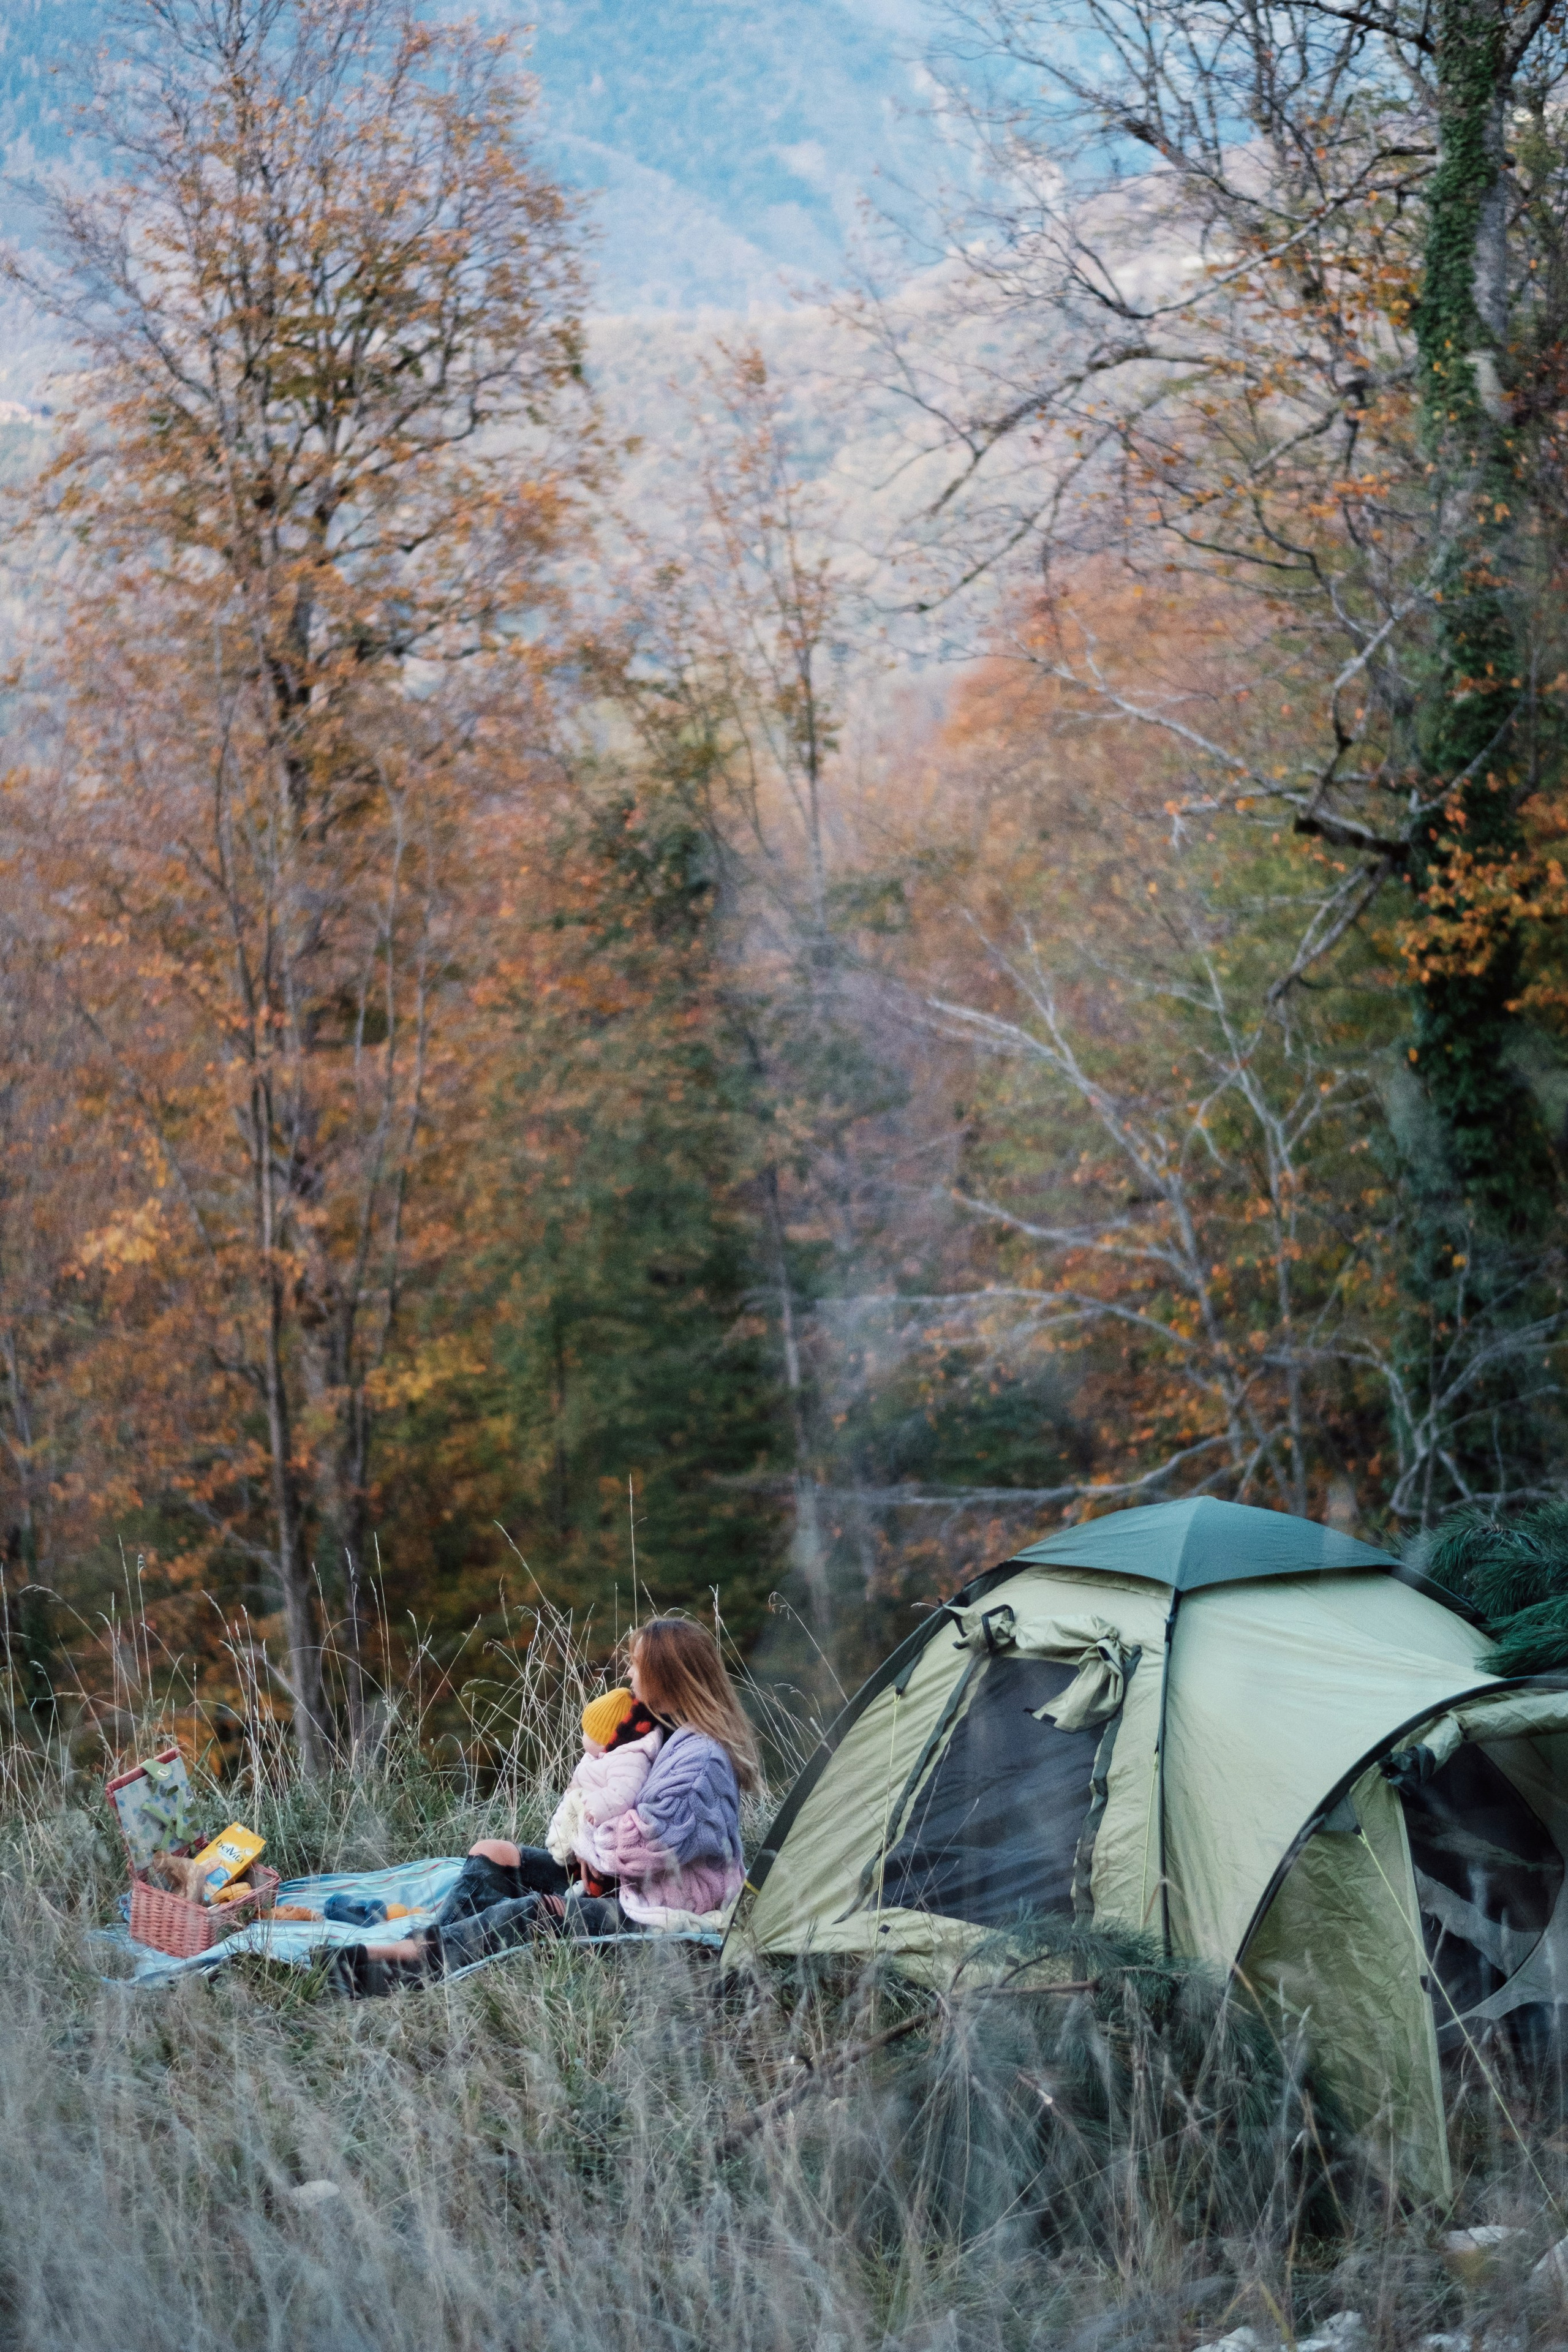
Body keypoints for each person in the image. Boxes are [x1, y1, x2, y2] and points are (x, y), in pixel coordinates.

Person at [331, 1617, 758, 1996]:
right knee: (492, 1854)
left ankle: (404, 1963)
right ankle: (434, 1943)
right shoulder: (663, 1731)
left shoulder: (700, 1762)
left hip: (660, 1916)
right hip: (622, 1887)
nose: (628, 1674)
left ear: (665, 1676)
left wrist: (580, 1829)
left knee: (533, 1914)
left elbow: (630, 1849)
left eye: (636, 1664)